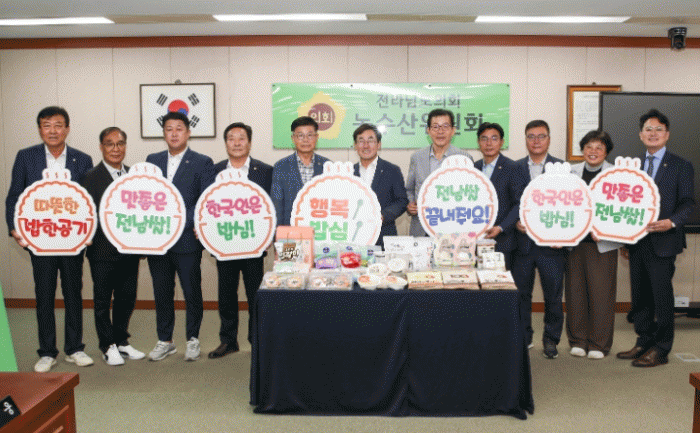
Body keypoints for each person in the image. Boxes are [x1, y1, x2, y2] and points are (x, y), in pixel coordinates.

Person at [5, 106, 94, 372]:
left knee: (73, 293)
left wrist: (90, 230)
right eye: (47, 125)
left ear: (67, 129)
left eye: (58, 125)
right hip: (40, 240)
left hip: (72, 241)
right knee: (44, 294)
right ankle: (47, 352)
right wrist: (14, 227)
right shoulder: (26, 157)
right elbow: (14, 195)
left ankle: (74, 348)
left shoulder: (82, 159)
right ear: (40, 129)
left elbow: (89, 200)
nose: (52, 131)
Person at [617, 109, 695, 367]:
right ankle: (643, 341)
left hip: (664, 241)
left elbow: (688, 203)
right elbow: (623, 204)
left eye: (658, 129)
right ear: (641, 135)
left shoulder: (681, 165)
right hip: (637, 241)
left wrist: (671, 222)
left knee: (661, 298)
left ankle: (661, 349)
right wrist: (624, 239)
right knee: (639, 296)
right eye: (648, 129)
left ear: (667, 134)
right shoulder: (633, 166)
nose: (653, 133)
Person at [145, 111, 215, 362]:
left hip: (186, 240)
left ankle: (192, 339)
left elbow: (205, 200)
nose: (174, 134)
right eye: (169, 129)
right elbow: (145, 197)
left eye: (179, 129)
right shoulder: (152, 160)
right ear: (164, 133)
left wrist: (176, 222)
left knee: (191, 291)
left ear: (188, 132)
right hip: (158, 241)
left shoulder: (202, 162)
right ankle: (165, 340)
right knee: (162, 291)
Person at [81, 127, 144, 366]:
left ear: (125, 146)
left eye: (120, 143)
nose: (115, 149)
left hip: (130, 250)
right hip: (102, 251)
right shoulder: (89, 177)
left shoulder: (134, 176)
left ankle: (121, 340)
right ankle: (107, 345)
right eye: (110, 144)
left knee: (127, 298)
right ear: (101, 147)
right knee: (102, 300)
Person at [209, 122, 272, 359]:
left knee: (255, 294)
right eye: (231, 138)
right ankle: (228, 340)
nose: (236, 143)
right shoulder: (213, 171)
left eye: (241, 138)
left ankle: (257, 341)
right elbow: (206, 204)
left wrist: (268, 234)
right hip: (224, 244)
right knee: (226, 294)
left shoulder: (264, 171)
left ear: (249, 142)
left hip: (253, 244)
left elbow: (271, 206)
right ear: (226, 143)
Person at [512, 119, 565, 359]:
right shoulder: (514, 168)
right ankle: (525, 337)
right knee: (522, 295)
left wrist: (564, 235)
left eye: (541, 136)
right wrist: (515, 223)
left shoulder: (562, 168)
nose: (536, 141)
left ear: (549, 140)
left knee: (553, 295)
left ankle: (551, 339)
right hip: (522, 245)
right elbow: (509, 203)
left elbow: (570, 206)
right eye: (531, 136)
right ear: (525, 140)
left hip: (551, 246)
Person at [566, 130, 621, 360]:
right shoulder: (570, 172)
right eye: (589, 146)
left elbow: (623, 212)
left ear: (606, 151)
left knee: (601, 295)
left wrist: (607, 231)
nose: (593, 151)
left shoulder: (616, 174)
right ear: (582, 149)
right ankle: (578, 340)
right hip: (575, 244)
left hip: (602, 245)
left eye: (599, 147)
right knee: (575, 294)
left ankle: (599, 343)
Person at [406, 109, 472, 237]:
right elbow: (409, 189)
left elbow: (470, 194)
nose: (440, 131)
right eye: (435, 127)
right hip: (422, 228)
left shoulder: (464, 158)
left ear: (453, 130)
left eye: (445, 126)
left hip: (454, 229)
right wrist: (410, 205)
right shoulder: (417, 157)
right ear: (428, 130)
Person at [473, 122, 525, 270]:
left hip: (502, 241)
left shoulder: (513, 167)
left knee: (499, 282)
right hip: (474, 240)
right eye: (484, 138)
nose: (489, 143)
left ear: (501, 142)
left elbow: (519, 203)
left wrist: (501, 227)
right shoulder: (473, 168)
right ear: (478, 142)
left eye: (494, 138)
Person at [352, 123, 408, 248]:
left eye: (370, 141)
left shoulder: (392, 170)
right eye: (361, 141)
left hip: (384, 237)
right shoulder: (349, 172)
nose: (366, 145)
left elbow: (402, 201)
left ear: (378, 144)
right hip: (354, 238)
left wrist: (382, 216)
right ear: (355, 145)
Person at [271, 116, 331, 227]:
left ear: (316, 137)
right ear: (293, 138)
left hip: (320, 229)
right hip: (290, 231)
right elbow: (277, 206)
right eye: (300, 135)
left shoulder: (327, 166)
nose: (305, 140)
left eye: (310, 135)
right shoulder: (281, 167)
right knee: (290, 242)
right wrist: (278, 233)